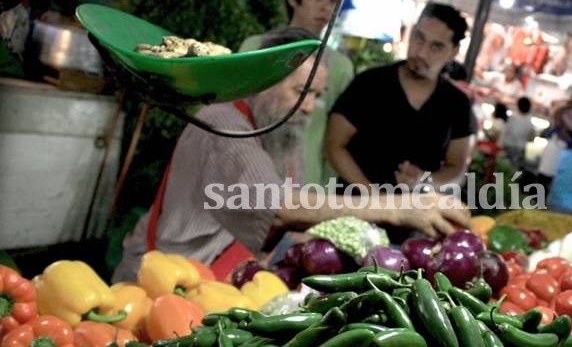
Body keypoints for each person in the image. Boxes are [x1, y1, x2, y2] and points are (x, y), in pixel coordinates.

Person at [113, 28, 469, 283]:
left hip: (213, 281)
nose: (309, 107)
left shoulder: (278, 129)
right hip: (159, 283)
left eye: (317, 95)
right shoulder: (224, 122)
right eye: (301, 91)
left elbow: (297, 216)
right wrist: (397, 208)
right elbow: (277, 207)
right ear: (265, 80)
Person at [325, 2, 476, 192]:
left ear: (453, 52)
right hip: (355, 207)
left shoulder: (457, 104)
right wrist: (372, 197)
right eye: (419, 38)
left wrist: (424, 181)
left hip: (416, 215)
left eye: (436, 46)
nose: (421, 52)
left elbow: (458, 170)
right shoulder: (370, 83)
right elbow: (334, 145)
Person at [238, 0, 354, 187]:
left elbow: (334, 140)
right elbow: (236, 111)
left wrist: (324, 196)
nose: (325, 7)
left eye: (332, 0)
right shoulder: (256, 47)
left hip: (307, 186)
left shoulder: (340, 68)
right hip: (247, 177)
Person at [500, 96, 535, 171]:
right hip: (520, 148)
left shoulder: (512, 117)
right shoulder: (529, 121)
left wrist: (499, 144)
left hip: (508, 145)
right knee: (514, 171)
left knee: (502, 168)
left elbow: (504, 132)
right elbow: (531, 138)